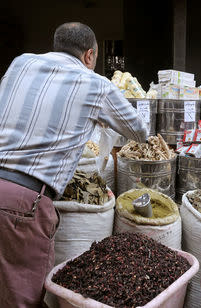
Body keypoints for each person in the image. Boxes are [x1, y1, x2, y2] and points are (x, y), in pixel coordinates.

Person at [0, 22, 147, 307]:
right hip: (24, 203)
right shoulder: (95, 84)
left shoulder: (20, 63)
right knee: (23, 296)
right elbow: (139, 131)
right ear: (90, 55)